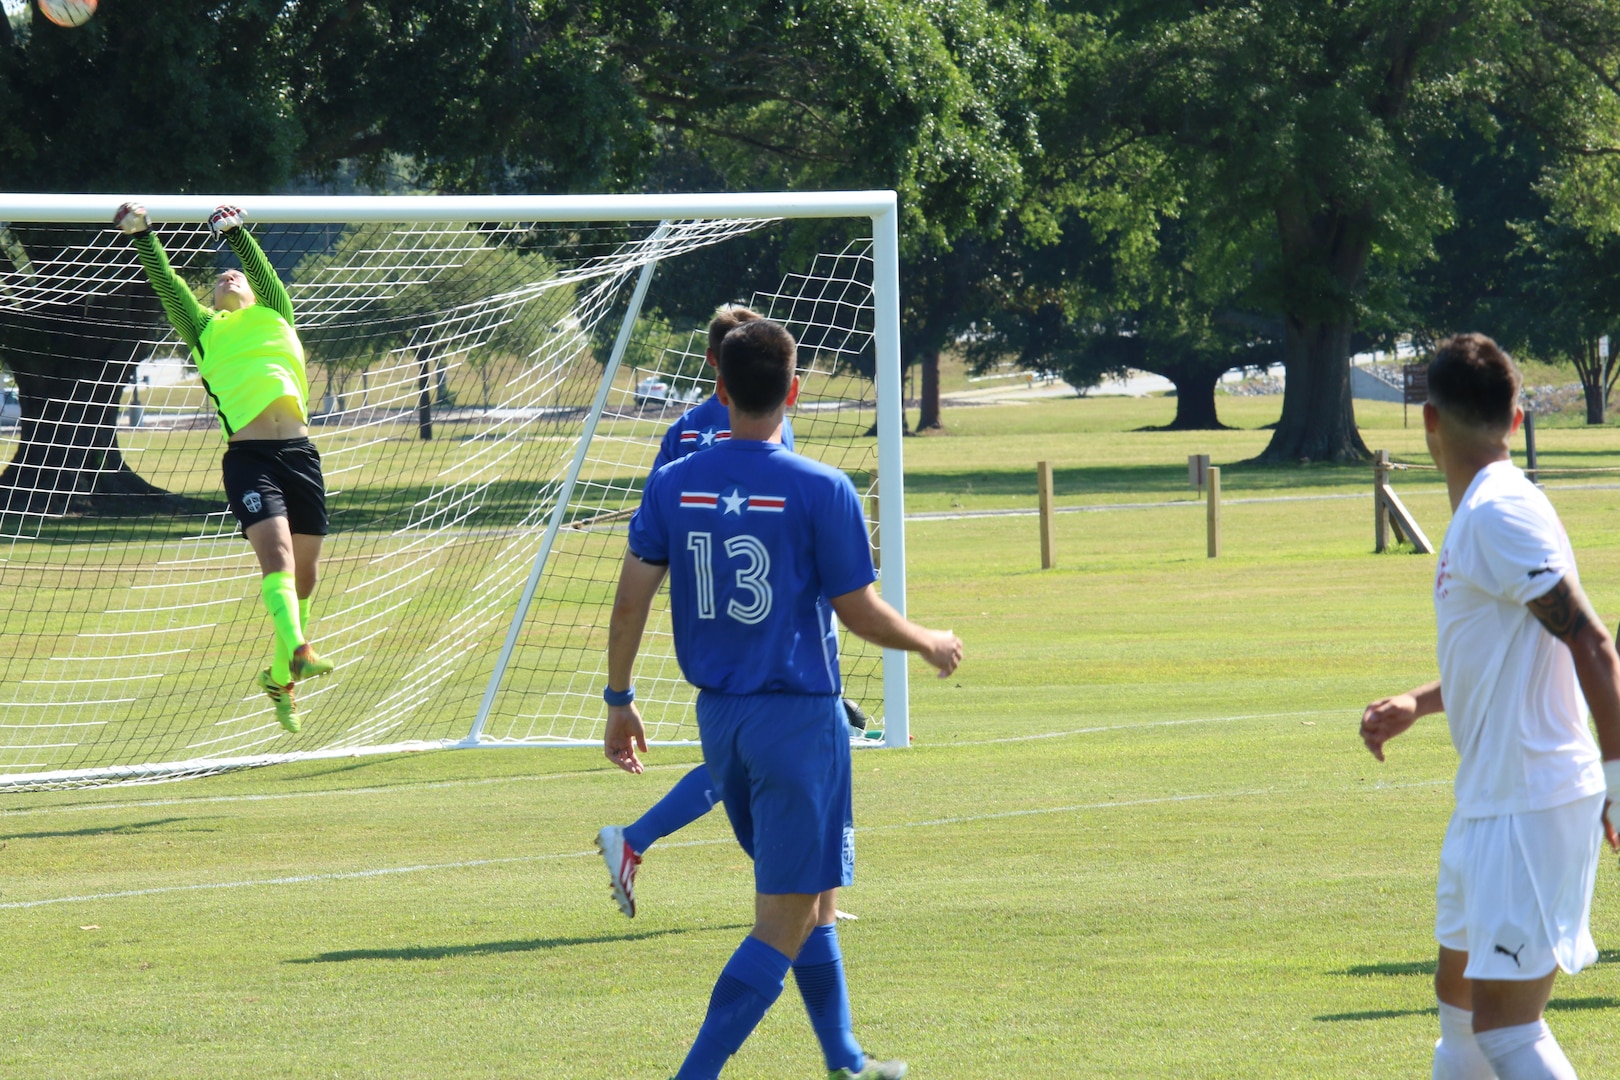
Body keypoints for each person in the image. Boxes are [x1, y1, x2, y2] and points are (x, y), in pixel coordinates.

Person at [602, 318, 960, 1080]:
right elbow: (859, 613)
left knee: (813, 896)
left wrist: (619, 698)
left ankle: (846, 1062)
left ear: (721, 390)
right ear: (794, 392)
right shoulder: (821, 486)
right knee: (783, 917)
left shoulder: (672, 482)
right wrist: (927, 639)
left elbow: (632, 598)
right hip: (798, 720)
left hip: (721, 721)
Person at [1360, 333, 1620, 1080]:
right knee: (1460, 1010)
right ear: (1515, 417)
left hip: (1532, 799)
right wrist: (1420, 700)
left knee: (1509, 1029)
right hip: (1491, 799)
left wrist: (1619, 783)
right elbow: (1516, 653)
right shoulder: (1486, 510)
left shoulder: (1499, 514)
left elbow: (1593, 643)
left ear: (1428, 419)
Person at [597, 303, 869, 918]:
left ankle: (814, 900)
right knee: (781, 755)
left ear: (714, 366)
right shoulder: (773, 431)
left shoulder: (681, 433)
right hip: (776, 623)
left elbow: (656, 525)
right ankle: (811, 900)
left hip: (704, 610)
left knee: (744, 754)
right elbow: (791, 528)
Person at [115, 202, 334, 733]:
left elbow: (257, 267)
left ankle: (281, 676)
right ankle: (300, 649)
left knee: (305, 579)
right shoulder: (203, 330)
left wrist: (234, 232)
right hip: (249, 460)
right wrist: (142, 234)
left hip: (302, 457)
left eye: (235, 275)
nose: (228, 277)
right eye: (218, 279)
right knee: (277, 556)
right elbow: (166, 283)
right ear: (211, 302)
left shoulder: (275, 311)